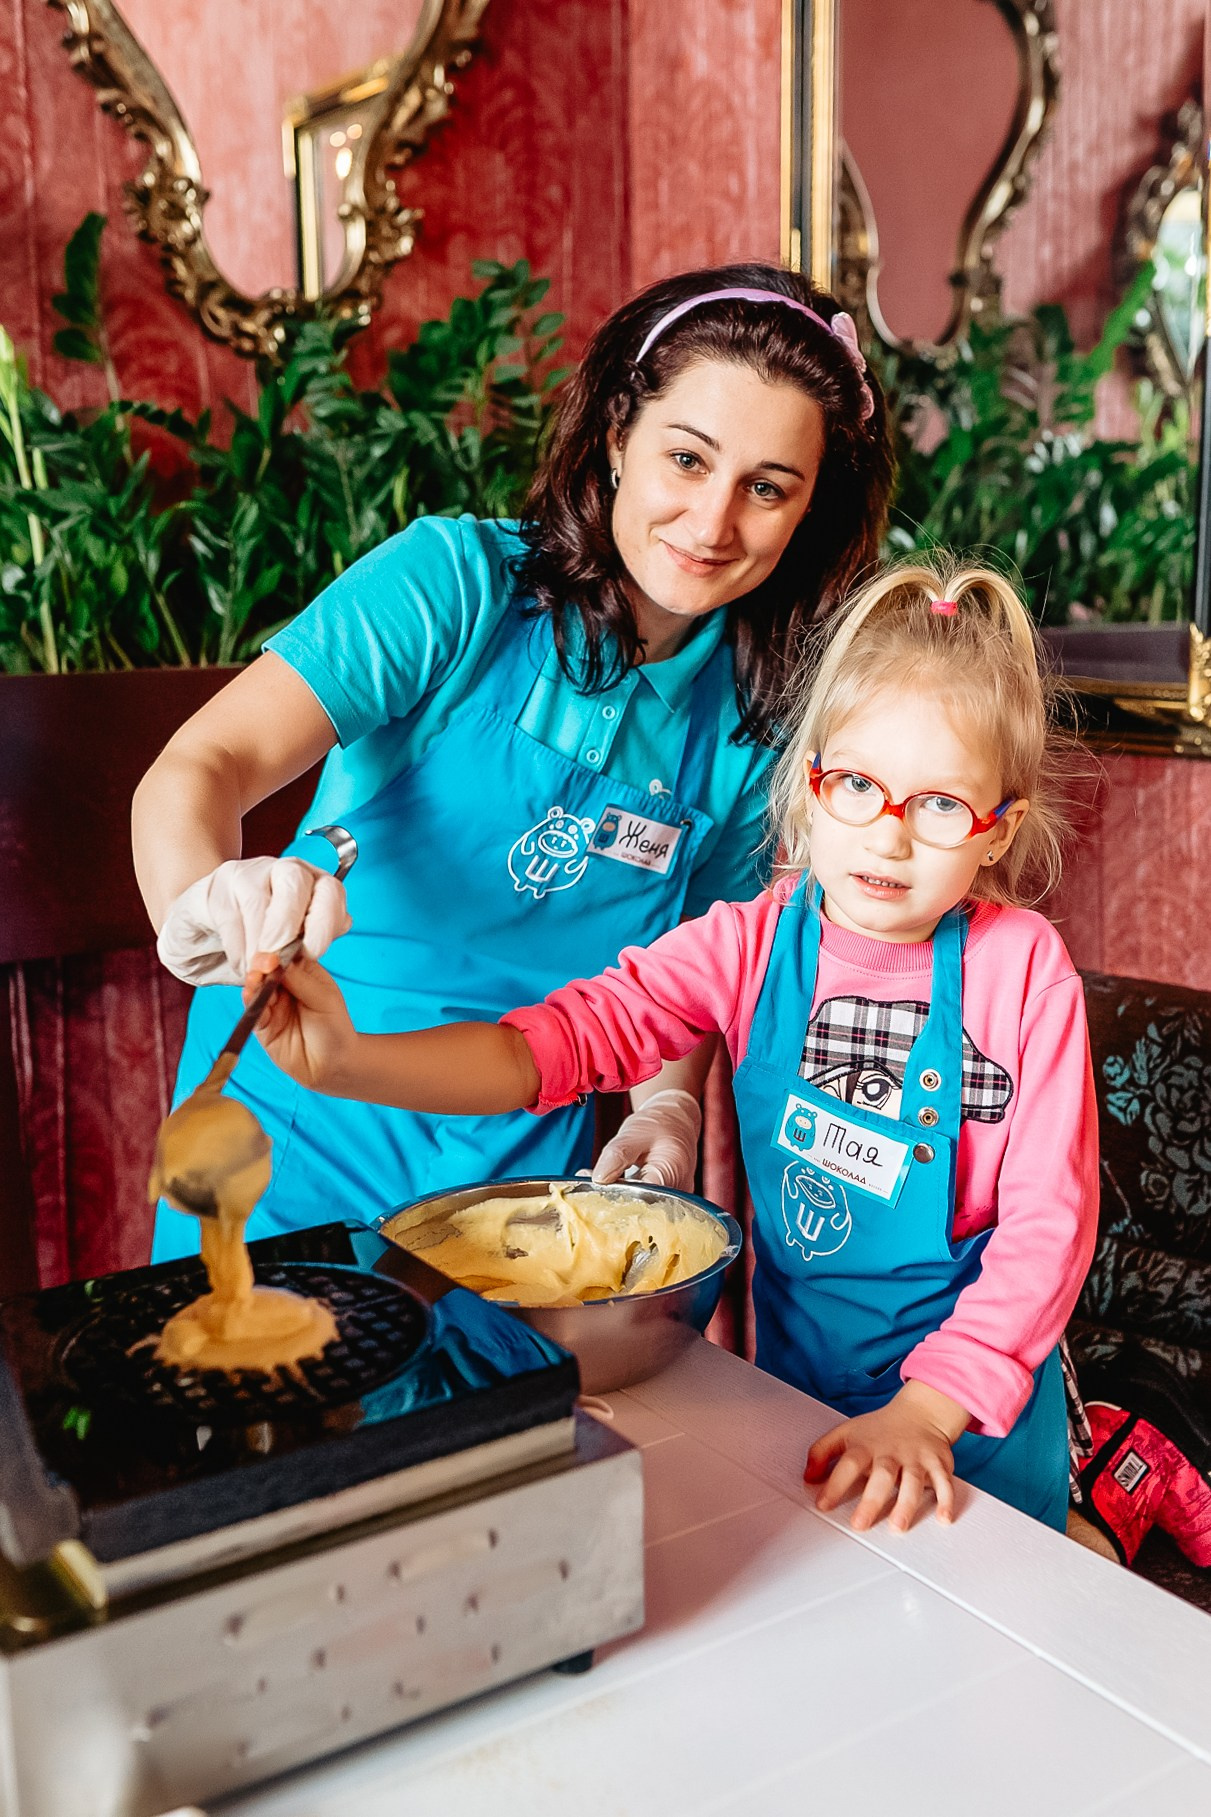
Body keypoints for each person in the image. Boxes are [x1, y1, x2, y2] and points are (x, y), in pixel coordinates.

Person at [245, 561, 1099, 1534]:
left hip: (970, 1431)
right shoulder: (751, 943)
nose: (890, 838)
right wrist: (349, 1060)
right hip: (803, 1402)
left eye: (941, 803)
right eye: (857, 784)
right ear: (809, 783)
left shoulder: (1022, 972)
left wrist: (925, 1410)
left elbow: (1045, 1234)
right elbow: (553, 1045)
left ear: (999, 828)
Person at [135, 264, 893, 1261]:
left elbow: (683, 972)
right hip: (283, 1131)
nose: (711, 524)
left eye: (766, 487)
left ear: (807, 511)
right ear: (618, 435)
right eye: (685, 458)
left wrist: (665, 1110)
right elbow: (204, 761)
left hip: (518, 1182)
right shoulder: (454, 586)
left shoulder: (761, 722)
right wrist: (204, 897)